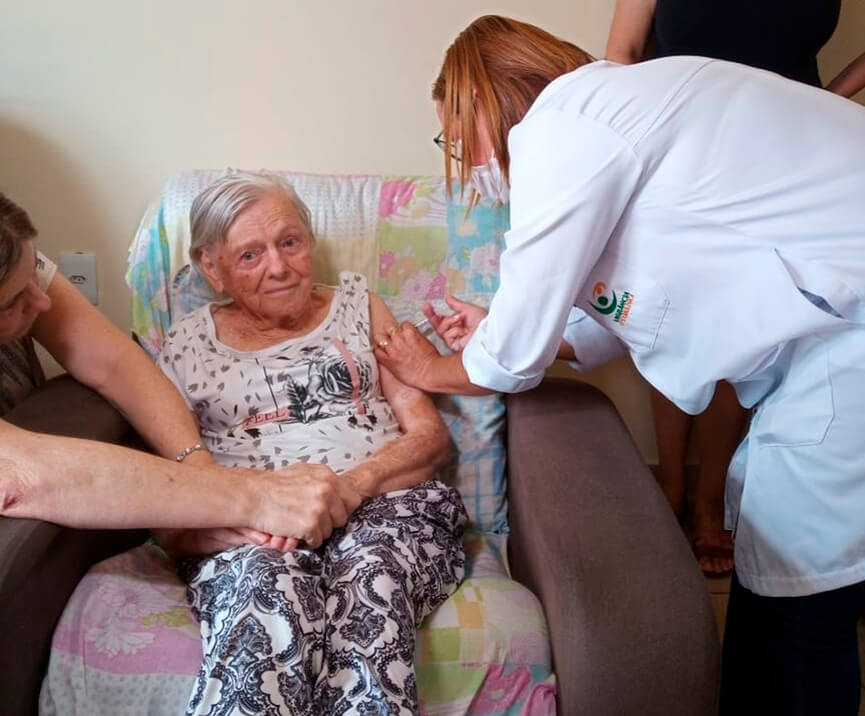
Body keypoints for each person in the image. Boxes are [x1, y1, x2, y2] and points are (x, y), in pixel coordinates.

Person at [374, 15, 865, 715]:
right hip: (834, 336)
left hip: (848, 343)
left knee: (800, 601)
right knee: (780, 573)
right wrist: (504, 331)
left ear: (483, 100)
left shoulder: (562, 123)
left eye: (455, 137)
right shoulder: (628, 121)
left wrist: (432, 369)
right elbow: (607, 315)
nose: (465, 159)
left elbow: (511, 358)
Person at [154, 171, 466, 715]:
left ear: (310, 241)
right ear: (212, 267)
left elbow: (429, 437)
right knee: (262, 590)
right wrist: (242, 524)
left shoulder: (359, 309)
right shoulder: (184, 348)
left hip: (386, 508)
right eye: (250, 255)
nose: (278, 266)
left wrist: (349, 488)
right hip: (256, 531)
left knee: (371, 579)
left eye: (290, 242)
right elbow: (168, 498)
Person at [605, 0, 864, 578]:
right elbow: (621, 54)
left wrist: (829, 100)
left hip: (793, 162)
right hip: (682, 155)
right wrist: (626, 149)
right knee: (672, 318)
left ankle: (708, 501)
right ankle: (670, 490)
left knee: (753, 324)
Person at [0, 190, 360, 546]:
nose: (42, 301)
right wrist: (253, 499)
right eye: (13, 300)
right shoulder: (192, 339)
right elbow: (17, 474)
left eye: (36, 273)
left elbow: (114, 364)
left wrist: (199, 467)